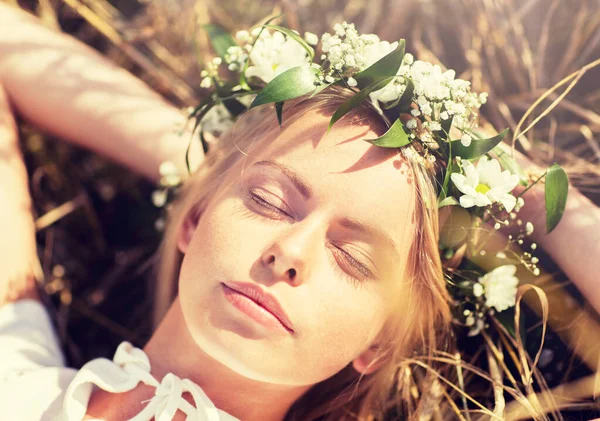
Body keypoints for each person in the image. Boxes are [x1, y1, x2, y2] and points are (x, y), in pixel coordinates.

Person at [1, 3, 599, 421]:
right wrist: (216, 166)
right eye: (265, 202)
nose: (291, 251)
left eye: (355, 257)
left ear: (380, 344)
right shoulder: (13, 369)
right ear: (192, 221)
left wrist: (540, 198)